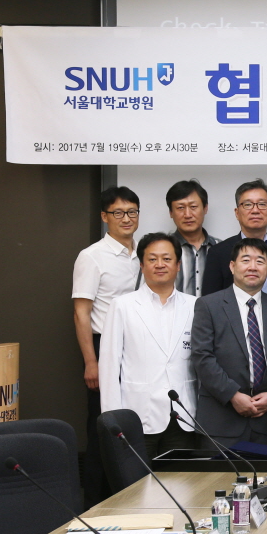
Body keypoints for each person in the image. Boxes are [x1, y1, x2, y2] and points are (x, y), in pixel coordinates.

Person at [72, 185, 141, 506]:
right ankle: (95, 503)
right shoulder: (91, 256)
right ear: (104, 216)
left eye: (132, 212)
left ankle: (128, 497)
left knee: (131, 422)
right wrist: (91, 361)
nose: (126, 218)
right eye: (118, 213)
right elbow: (81, 312)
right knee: (102, 425)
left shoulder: (143, 254)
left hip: (137, 348)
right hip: (103, 348)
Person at [99, 232, 197, 457]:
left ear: (178, 265)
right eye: (152, 259)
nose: (160, 264)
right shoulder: (122, 306)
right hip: (138, 416)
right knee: (138, 479)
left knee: (183, 478)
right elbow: (109, 367)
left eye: (167, 259)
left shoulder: (195, 306)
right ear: (142, 266)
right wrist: (113, 420)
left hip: (183, 416)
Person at [191, 238, 267, 447]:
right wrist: (233, 395)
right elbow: (202, 357)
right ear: (232, 266)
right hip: (220, 421)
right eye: (245, 260)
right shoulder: (208, 305)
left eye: (260, 261)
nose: (253, 267)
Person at [201, 179, 267, 302]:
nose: (255, 210)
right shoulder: (218, 252)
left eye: (262, 204)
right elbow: (210, 299)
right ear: (237, 213)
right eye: (247, 205)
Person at [166, 179, 221, 297]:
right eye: (180, 207)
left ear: (205, 208)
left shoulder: (221, 248)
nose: (187, 214)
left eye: (193, 206)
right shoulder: (161, 249)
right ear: (171, 212)